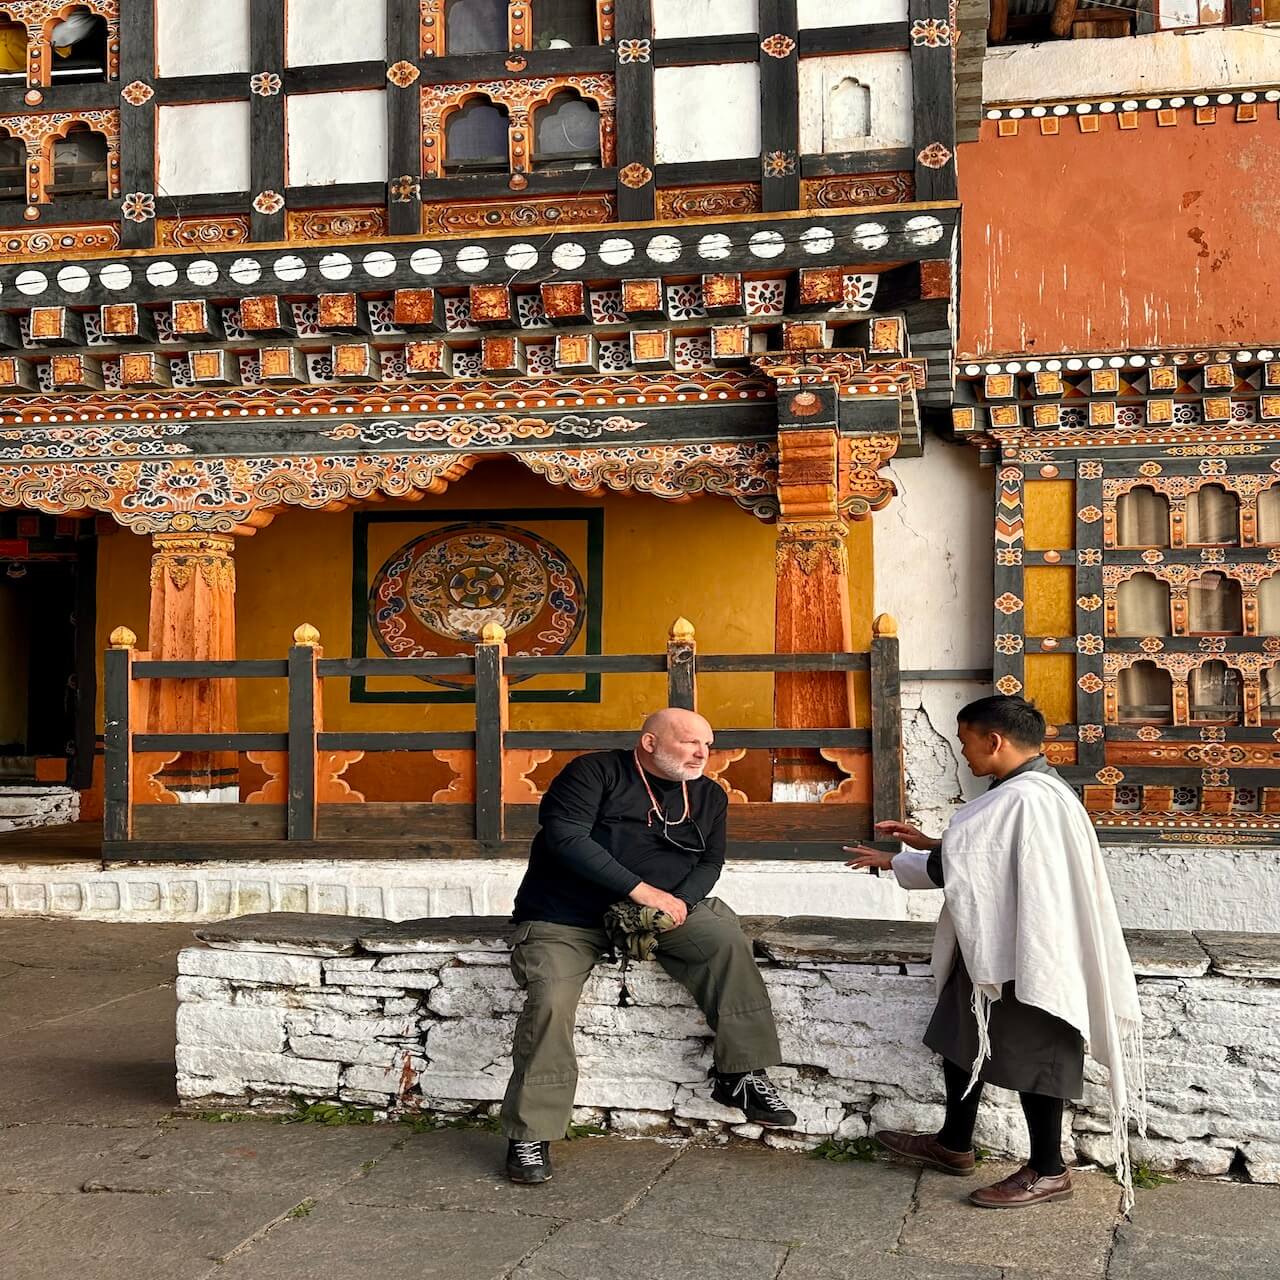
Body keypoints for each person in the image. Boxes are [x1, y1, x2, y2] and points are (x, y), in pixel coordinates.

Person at [845, 695, 1145, 1210]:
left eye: (966, 742)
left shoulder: (1024, 797)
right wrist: (928, 843)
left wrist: (897, 862)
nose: (964, 753)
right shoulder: (1039, 790)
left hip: (1031, 951)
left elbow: (966, 863)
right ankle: (953, 1143)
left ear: (994, 740)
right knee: (961, 1036)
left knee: (1038, 1051)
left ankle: (1049, 1170)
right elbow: (988, 854)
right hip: (1001, 944)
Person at [501, 707, 797, 1184]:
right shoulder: (594, 772)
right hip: (565, 917)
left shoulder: (709, 795)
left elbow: (711, 863)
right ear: (650, 742)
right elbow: (565, 837)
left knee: (725, 940)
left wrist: (680, 903)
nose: (702, 753)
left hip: (660, 914)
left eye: (708, 744)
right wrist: (642, 891)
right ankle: (530, 1133)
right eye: (689, 742)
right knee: (550, 1000)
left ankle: (740, 1074)